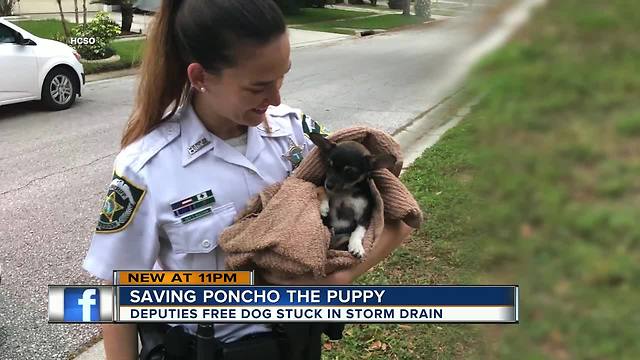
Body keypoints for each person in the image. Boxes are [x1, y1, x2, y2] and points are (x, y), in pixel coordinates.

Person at [82, 0, 413, 359]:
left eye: (283, 75)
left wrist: (341, 276)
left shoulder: (297, 137)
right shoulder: (146, 168)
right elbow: (117, 296)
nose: (276, 98)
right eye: (258, 86)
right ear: (200, 78)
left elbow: (397, 214)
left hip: (299, 345)